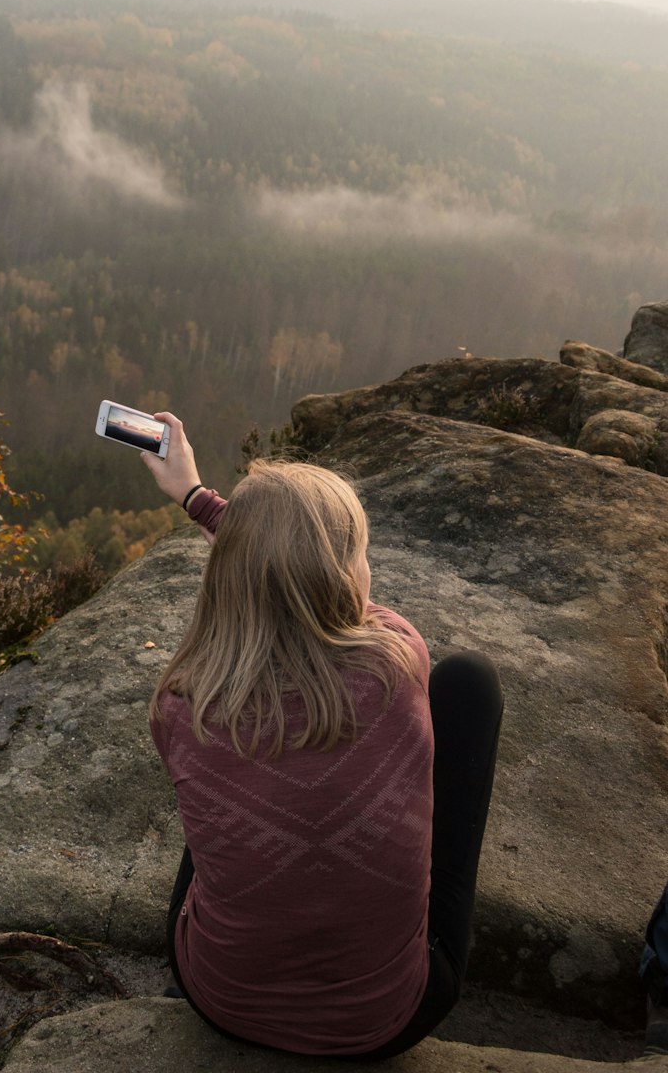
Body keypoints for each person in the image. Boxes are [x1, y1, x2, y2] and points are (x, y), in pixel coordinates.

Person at [141, 411, 504, 1060]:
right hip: (385, 1024)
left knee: (228, 776)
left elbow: (275, 582)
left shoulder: (180, 703)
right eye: (359, 555)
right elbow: (324, 599)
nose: (366, 569)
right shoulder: (397, 662)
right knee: (470, 684)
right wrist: (205, 504)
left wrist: (198, 499)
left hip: (218, 1001)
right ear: (341, 576)